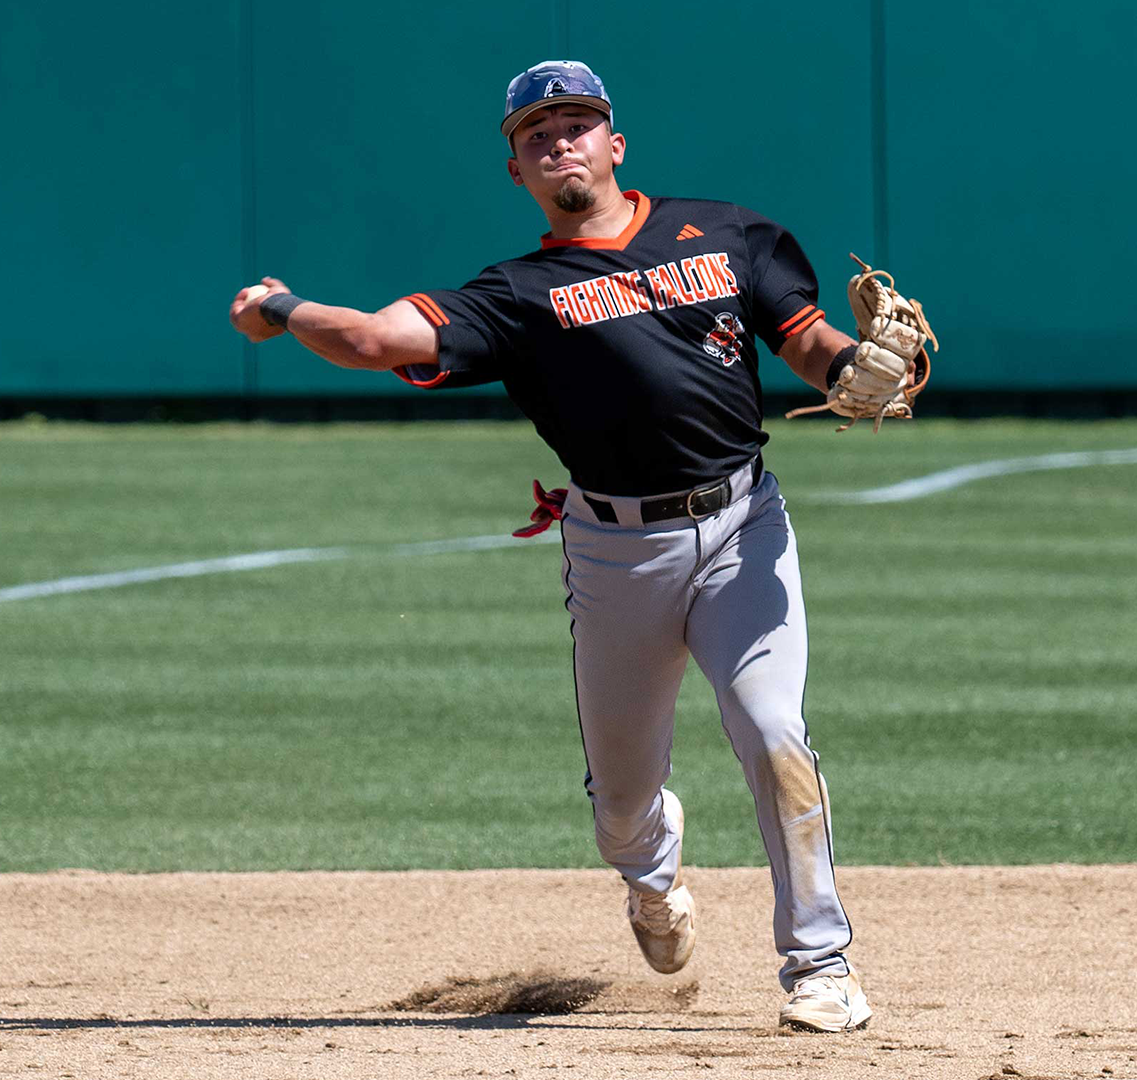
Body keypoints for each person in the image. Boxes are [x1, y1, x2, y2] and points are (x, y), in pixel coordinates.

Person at [228, 60, 886, 1033]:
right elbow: (373, 340)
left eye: (576, 122)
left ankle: (820, 965)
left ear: (615, 142)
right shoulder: (517, 296)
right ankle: (652, 871)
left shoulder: (727, 234)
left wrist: (860, 364)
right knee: (622, 802)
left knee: (773, 733)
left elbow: (807, 340)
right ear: (517, 171)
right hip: (615, 554)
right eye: (537, 133)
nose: (559, 140)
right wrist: (282, 311)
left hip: (744, 522)